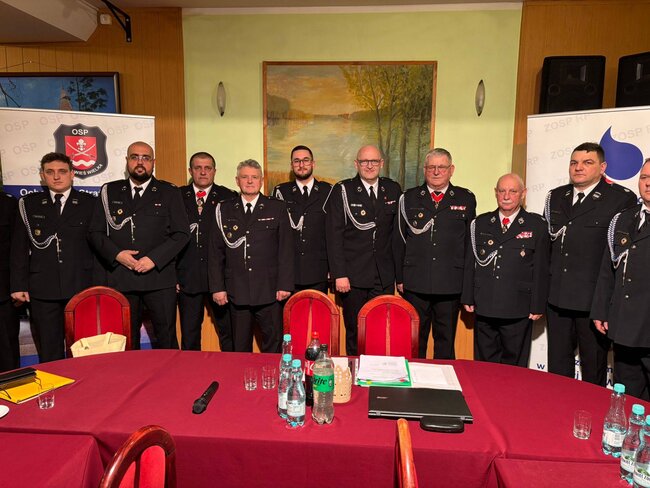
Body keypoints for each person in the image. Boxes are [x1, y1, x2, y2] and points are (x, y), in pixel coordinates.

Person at [545, 142, 636, 385]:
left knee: (593, 371)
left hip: (593, 304)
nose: (579, 168)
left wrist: (608, 304)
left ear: (602, 167)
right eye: (574, 163)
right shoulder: (556, 197)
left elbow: (621, 258)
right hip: (557, 300)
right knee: (557, 370)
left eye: (587, 163)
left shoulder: (620, 199)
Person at [89, 141, 189, 349]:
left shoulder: (169, 192)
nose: (140, 162)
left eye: (146, 158)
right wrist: (117, 255)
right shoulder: (109, 191)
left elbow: (181, 234)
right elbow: (95, 232)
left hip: (159, 278)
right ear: (127, 161)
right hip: (121, 277)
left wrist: (153, 259)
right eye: (135, 157)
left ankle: (170, 371)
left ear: (153, 162)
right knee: (125, 340)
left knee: (167, 338)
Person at [10, 152, 95, 362]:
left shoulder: (90, 203)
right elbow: (19, 247)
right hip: (42, 289)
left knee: (84, 348)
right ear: (42, 175)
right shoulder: (28, 204)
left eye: (62, 171)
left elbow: (98, 245)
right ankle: (54, 383)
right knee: (49, 350)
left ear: (72, 174)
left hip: (81, 285)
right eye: (50, 172)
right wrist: (18, 285)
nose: (56, 177)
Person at [395, 148, 476, 359]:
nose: (436, 171)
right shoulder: (409, 198)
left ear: (451, 170)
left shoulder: (465, 198)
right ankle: (415, 376)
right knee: (415, 341)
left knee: (445, 341)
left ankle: (445, 378)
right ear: (425, 170)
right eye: (432, 167)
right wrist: (400, 278)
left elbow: (470, 246)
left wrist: (467, 286)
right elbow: (399, 241)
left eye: (442, 167)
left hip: (450, 284)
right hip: (416, 283)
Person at [461, 173, 549, 367]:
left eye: (513, 191)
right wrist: (467, 296)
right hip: (485, 304)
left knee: (514, 366)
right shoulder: (480, 223)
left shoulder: (536, 225)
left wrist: (537, 304)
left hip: (517, 307)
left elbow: (541, 268)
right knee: (484, 365)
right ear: (496, 193)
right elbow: (470, 263)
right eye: (502, 191)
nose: (506, 196)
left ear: (523, 194)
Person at [209, 159, 293, 353]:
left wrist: (285, 285)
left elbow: (286, 250)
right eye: (244, 177)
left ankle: (272, 374)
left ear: (261, 180)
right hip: (236, 290)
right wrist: (217, 287)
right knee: (239, 348)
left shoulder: (277, 207)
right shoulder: (224, 209)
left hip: (270, 290)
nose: (249, 181)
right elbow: (215, 252)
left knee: (273, 345)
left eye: (254, 177)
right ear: (237, 180)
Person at [325, 145, 401, 356]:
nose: (369, 166)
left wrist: (398, 276)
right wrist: (339, 274)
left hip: (383, 276)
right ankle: (355, 370)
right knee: (355, 331)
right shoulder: (343, 190)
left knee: (381, 329)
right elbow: (333, 236)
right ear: (356, 164)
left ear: (381, 163)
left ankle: (377, 372)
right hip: (353, 277)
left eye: (374, 161)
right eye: (364, 161)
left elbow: (397, 235)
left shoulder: (393, 189)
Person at [592, 159, 650, 399]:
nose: (648, 183)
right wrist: (601, 310)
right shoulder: (623, 219)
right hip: (624, 325)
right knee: (625, 396)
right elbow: (608, 269)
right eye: (644, 177)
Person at [176, 152, 237, 351]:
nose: (203, 172)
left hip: (219, 279)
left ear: (214, 171)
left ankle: (230, 368)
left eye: (207, 168)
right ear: (190, 171)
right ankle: (191, 371)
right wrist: (173, 275)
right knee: (190, 335)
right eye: (198, 168)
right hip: (187, 278)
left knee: (228, 333)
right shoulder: (177, 196)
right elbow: (169, 238)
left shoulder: (228, 197)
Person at [273, 145, 332, 293]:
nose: (301, 165)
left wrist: (333, 269)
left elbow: (334, 233)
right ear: (291, 165)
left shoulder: (328, 191)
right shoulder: (281, 192)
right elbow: (276, 235)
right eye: (297, 161)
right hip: (290, 272)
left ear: (313, 163)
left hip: (319, 270)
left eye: (306, 160)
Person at [1, 191, 20, 371]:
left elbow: (18, 248)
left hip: (3, 292)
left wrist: (18, 285)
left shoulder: (7, 203)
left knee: (7, 353)